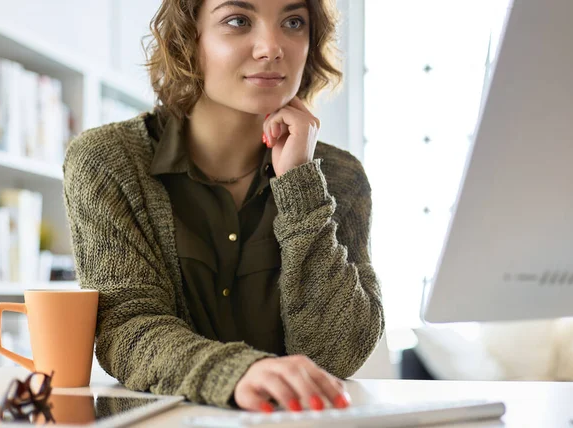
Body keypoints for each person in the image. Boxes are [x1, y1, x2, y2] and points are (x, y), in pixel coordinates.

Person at [63, 0, 384, 414]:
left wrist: (300, 184)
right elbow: (126, 327)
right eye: (237, 21)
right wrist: (236, 373)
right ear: (187, 39)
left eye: (293, 22)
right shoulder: (108, 161)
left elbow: (338, 355)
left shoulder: (340, 176)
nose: (271, 47)